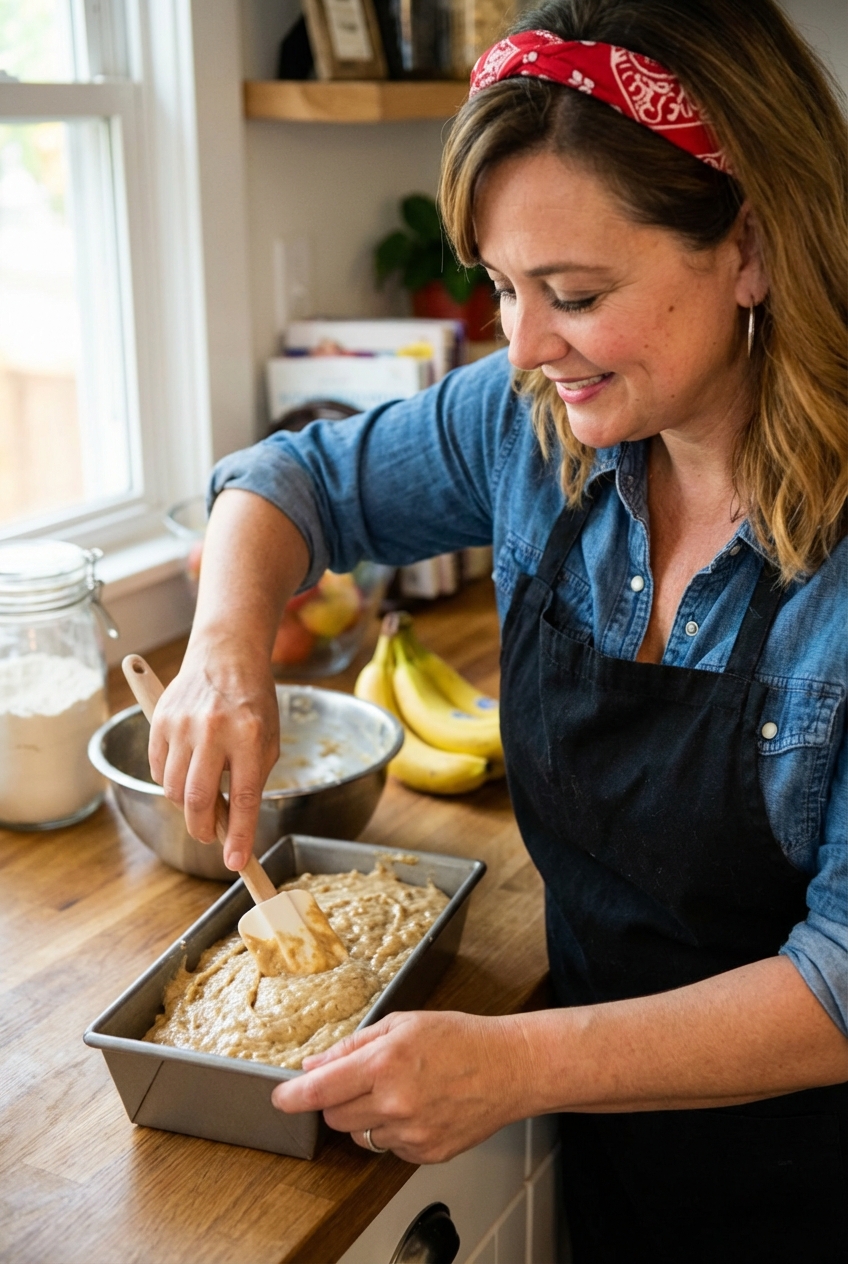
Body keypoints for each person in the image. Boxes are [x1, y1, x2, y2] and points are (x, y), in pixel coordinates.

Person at [150, 0, 847, 1258]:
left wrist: (514, 1064)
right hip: (613, 1137)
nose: (521, 345)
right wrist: (220, 652)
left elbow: (841, 987)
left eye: (572, 292)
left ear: (749, 247)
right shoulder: (530, 428)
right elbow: (292, 480)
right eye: (499, 286)